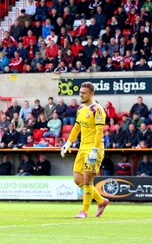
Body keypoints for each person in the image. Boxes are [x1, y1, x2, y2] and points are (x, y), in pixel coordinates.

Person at [61, 81, 109, 218]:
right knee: (78, 179)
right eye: (80, 92)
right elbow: (77, 127)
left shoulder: (98, 110)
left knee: (87, 180)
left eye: (83, 93)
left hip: (94, 148)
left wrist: (94, 149)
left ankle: (84, 211)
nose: (80, 95)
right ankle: (101, 201)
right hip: (82, 148)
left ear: (91, 94)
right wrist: (68, 143)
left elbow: (99, 132)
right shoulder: (81, 109)